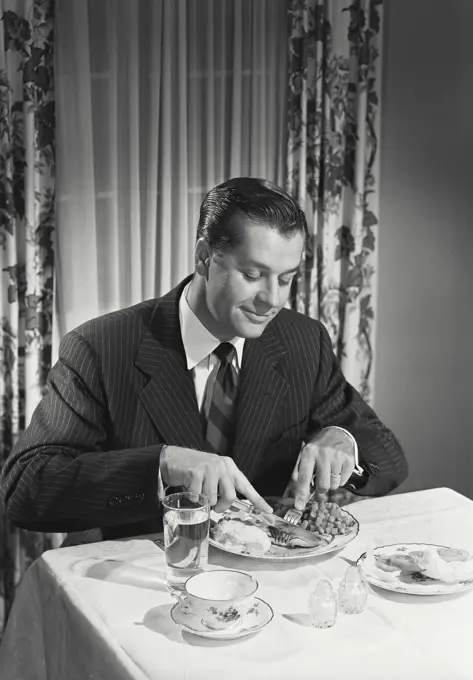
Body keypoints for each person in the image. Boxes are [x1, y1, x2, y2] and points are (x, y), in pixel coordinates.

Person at [0, 178, 407, 541]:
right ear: (203, 257)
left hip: (269, 588)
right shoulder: (100, 347)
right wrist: (162, 464)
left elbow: (389, 459)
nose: (273, 300)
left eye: (286, 279)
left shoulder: (303, 341)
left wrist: (343, 443)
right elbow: (26, 490)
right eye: (252, 275)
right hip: (147, 584)